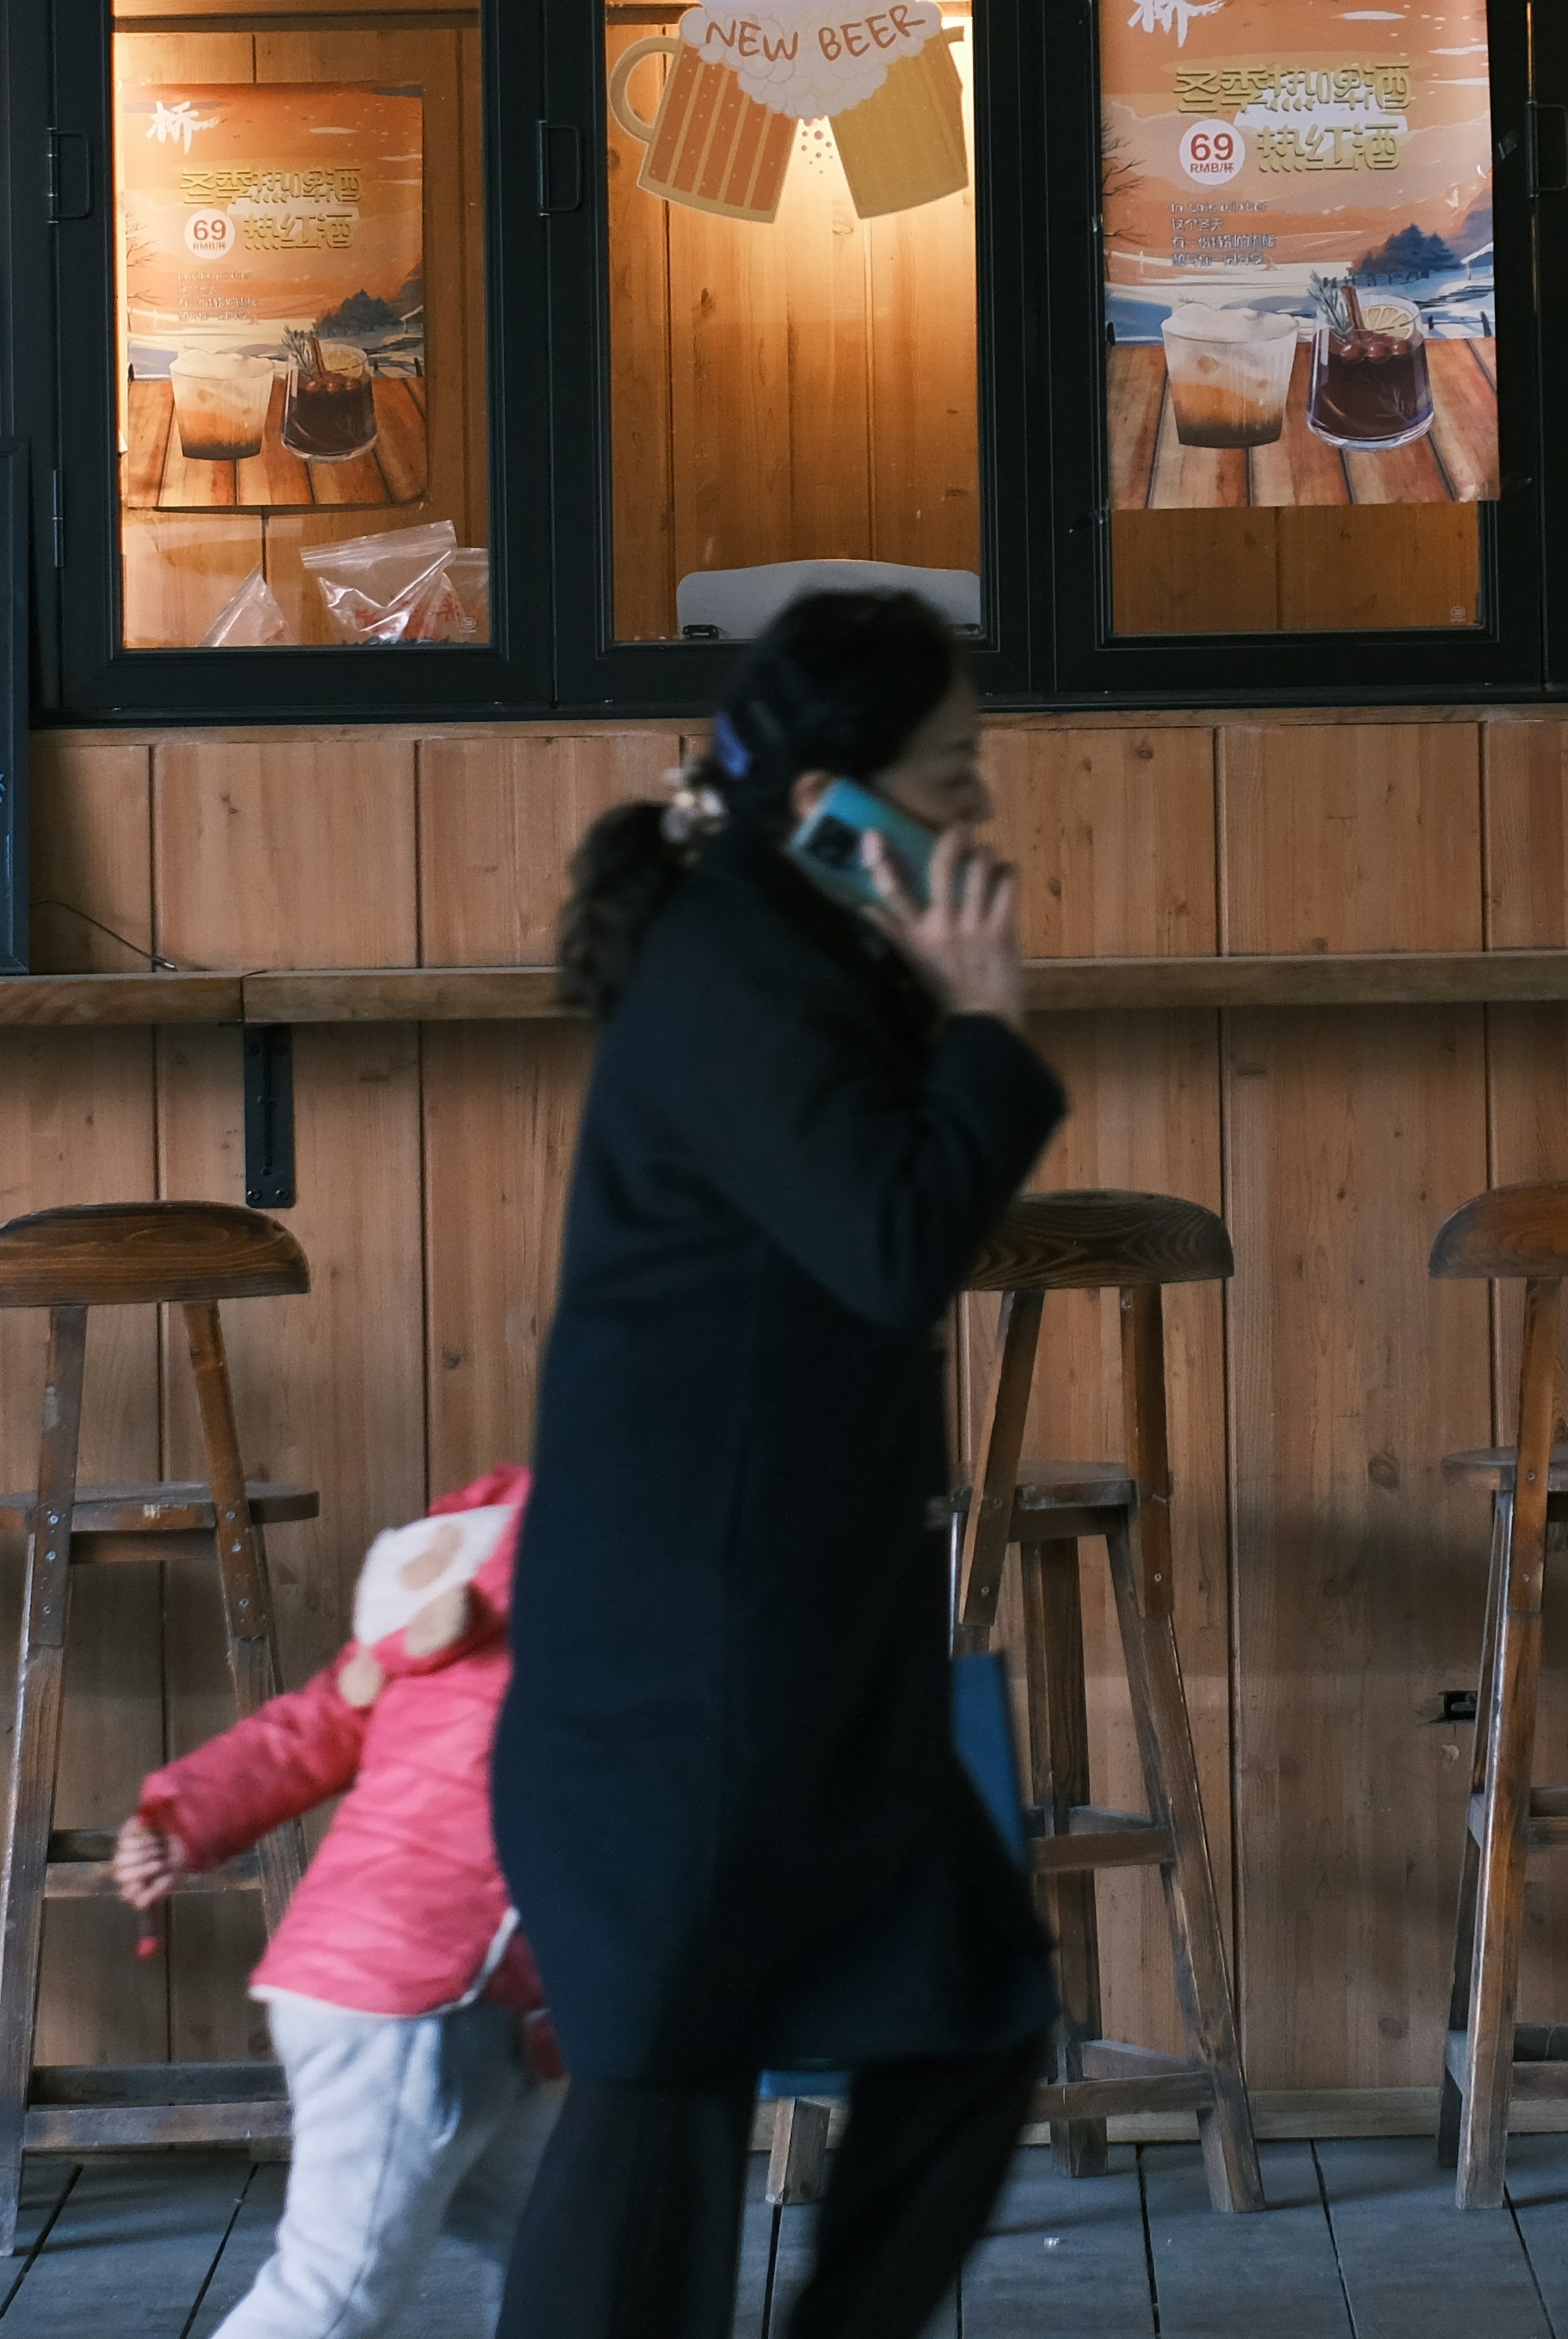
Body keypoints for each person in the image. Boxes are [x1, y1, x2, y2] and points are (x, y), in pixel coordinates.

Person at [488, 588, 1066, 2339]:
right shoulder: (738, 964)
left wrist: (946, 1009)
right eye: (949, 776)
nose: (977, 816)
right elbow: (893, 1238)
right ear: (834, 796)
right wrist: (982, 1020)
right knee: (661, 2113)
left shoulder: (788, 946)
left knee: (969, 2007)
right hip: (691, 1665)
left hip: (788, 1649)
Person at [109, 1472, 559, 2339]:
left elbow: (315, 1721)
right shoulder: (591, 1592)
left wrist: (185, 1813)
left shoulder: (448, 1612)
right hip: (415, 1996)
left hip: (409, 1991)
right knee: (333, 2290)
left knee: (566, 2244)